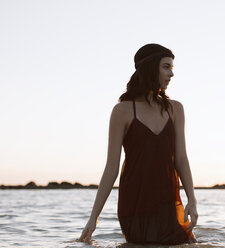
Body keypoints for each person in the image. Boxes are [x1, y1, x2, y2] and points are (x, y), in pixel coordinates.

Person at [78, 43, 198, 245]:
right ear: (151, 68)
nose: (171, 74)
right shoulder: (122, 111)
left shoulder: (176, 109)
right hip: (135, 202)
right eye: (166, 67)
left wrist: (192, 201)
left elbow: (181, 158)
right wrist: (94, 217)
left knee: (187, 243)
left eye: (172, 68)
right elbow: (111, 167)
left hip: (168, 199)